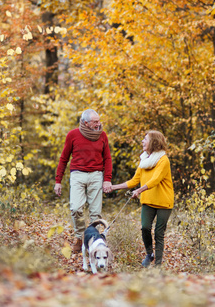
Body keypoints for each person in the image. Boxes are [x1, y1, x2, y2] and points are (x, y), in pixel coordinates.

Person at [109, 130, 174, 267]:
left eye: (145, 139)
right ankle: (149, 253)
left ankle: (158, 265)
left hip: (164, 202)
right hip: (148, 201)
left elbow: (155, 180)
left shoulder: (163, 160)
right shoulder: (144, 161)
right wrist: (113, 187)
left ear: (154, 142)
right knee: (145, 228)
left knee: (158, 233)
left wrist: (139, 190)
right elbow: (134, 181)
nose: (142, 142)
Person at [54, 109, 113, 253]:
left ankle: (93, 240)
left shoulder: (102, 135)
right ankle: (80, 237)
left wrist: (107, 180)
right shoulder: (73, 135)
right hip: (77, 175)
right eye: (95, 122)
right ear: (85, 123)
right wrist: (58, 180)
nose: (98, 124)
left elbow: (108, 158)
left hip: (96, 175)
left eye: (99, 121)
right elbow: (64, 158)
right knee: (75, 208)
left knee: (95, 213)